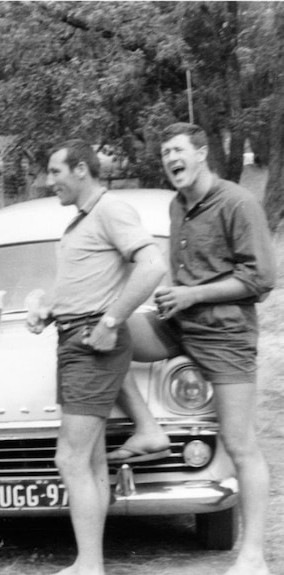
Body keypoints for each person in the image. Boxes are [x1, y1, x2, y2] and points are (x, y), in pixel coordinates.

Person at [26, 139, 166, 575]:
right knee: (91, 459)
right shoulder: (83, 220)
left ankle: (89, 566)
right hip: (73, 338)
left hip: (91, 343)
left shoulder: (110, 209)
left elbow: (153, 266)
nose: (49, 182)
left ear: (82, 170)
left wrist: (110, 322)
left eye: (55, 172)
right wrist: (49, 308)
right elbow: (88, 282)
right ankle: (91, 563)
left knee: (69, 458)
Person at [153, 122, 274, 575]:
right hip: (179, 325)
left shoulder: (238, 202)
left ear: (202, 153)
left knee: (240, 444)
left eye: (177, 150)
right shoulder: (175, 205)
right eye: (165, 152)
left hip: (225, 336)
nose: (170, 159)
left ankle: (254, 555)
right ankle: (149, 429)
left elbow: (261, 280)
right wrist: (171, 295)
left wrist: (194, 295)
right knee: (112, 338)